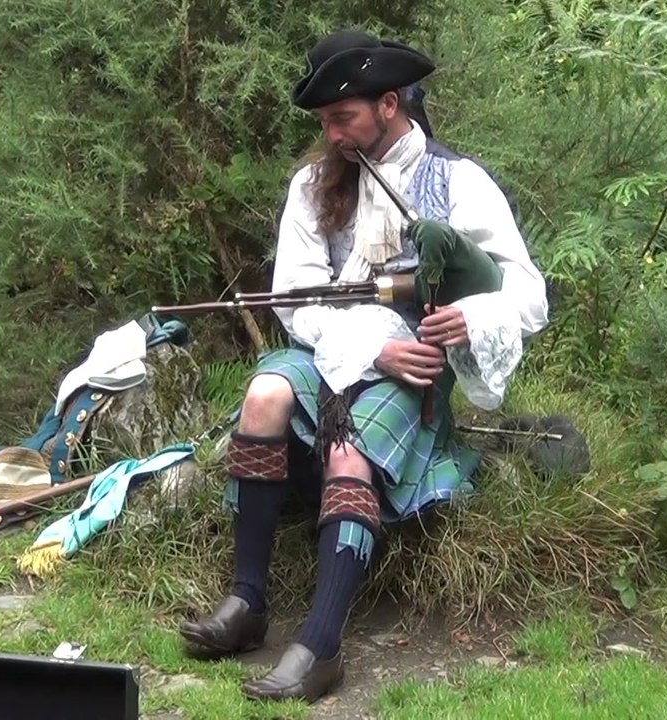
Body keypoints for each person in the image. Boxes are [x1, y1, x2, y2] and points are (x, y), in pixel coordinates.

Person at [178, 28, 550, 703]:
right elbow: (295, 299)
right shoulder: (313, 184)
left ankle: (320, 646)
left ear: (388, 104)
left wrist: (470, 317)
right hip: (335, 347)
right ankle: (248, 602)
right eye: (324, 121)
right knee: (263, 394)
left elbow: (527, 294)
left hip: (412, 368)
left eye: (343, 117)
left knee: (347, 452)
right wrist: (364, 347)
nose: (334, 134)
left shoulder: (458, 183)